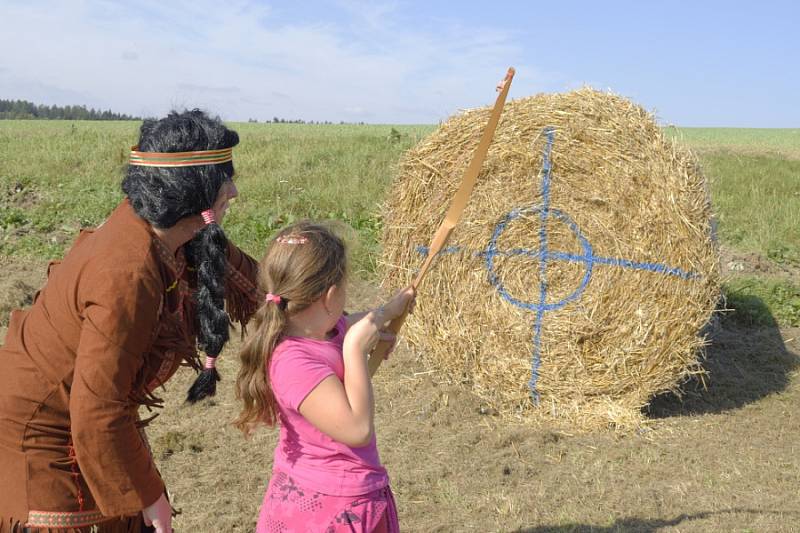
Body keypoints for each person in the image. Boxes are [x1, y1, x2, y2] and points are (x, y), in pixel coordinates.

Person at [0, 110, 261, 532]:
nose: (232, 190)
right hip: (43, 432)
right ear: (190, 191)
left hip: (86, 417)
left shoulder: (178, 232)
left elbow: (259, 287)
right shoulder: (127, 273)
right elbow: (97, 409)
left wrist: (334, 320)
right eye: (222, 178)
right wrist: (149, 496)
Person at [235, 221, 415, 532]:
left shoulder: (324, 328)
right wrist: (356, 350)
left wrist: (388, 312)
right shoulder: (293, 362)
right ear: (330, 296)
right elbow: (357, 429)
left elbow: (352, 323)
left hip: (339, 495)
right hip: (331, 508)